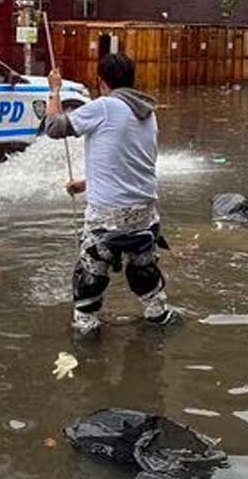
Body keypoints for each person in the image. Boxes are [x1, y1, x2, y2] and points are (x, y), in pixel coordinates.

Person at [45, 53, 174, 333]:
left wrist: (54, 90)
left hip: (108, 217)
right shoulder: (147, 113)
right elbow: (130, 164)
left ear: (101, 82)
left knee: (91, 274)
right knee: (144, 270)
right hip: (146, 215)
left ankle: (87, 334)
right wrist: (86, 183)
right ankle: (158, 315)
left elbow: (53, 127)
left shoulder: (104, 106)